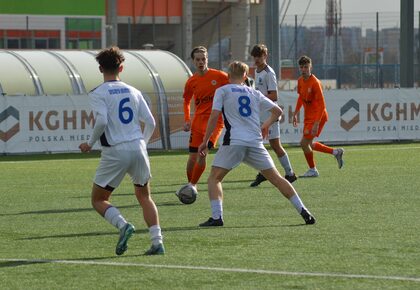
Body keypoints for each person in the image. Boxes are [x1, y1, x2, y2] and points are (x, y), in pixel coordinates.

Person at [197, 61, 315, 227]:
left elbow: (214, 116)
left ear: (229, 76)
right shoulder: (254, 93)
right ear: (245, 77)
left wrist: (205, 141)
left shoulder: (222, 91)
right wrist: (265, 125)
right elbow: (278, 112)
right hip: (255, 142)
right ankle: (304, 211)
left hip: (234, 142)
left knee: (214, 179)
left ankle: (217, 217)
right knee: (277, 178)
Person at [79, 46, 164, 255]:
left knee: (98, 199)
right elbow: (151, 122)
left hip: (116, 151)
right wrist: (142, 143)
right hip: (138, 148)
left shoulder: (98, 92)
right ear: (122, 68)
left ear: (100, 69)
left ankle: (123, 225)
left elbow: (101, 121)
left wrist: (89, 143)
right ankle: (157, 243)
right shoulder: (134, 91)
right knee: (144, 196)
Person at [180, 46, 229, 194]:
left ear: (207, 59)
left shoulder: (220, 76)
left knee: (203, 152)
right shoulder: (191, 81)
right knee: (192, 157)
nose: (201, 62)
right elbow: (186, 101)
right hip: (197, 123)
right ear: (193, 61)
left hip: (215, 122)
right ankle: (190, 184)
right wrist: (187, 119)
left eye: (203, 59)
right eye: (198, 59)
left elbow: (239, 81)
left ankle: (192, 186)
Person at [248, 44, 297, 187]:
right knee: (260, 145)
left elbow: (274, 95)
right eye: (255, 56)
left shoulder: (269, 73)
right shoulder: (257, 71)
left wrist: (257, 96)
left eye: (260, 56)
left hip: (270, 114)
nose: (257, 59)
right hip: (260, 115)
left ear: (265, 56)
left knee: (275, 145)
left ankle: (289, 173)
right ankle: (265, 173)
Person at [292, 55, 344, 177]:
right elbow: (301, 97)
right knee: (309, 144)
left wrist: (316, 124)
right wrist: (295, 112)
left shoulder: (315, 83)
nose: (304, 69)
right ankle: (336, 152)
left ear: (311, 67)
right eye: (301, 67)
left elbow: (322, 105)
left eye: (306, 67)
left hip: (318, 116)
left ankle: (313, 170)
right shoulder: (300, 81)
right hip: (308, 117)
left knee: (304, 143)